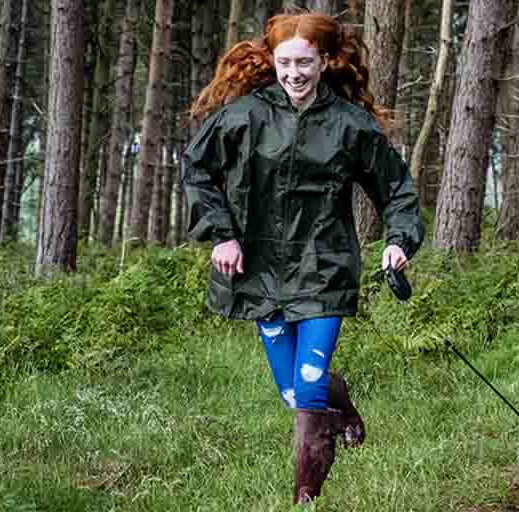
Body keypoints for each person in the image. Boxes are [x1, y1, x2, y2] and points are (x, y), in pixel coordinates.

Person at [181, 12, 423, 506]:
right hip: (260, 273)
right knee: (293, 393)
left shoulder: (350, 126)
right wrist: (222, 236)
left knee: (307, 389)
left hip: (324, 270)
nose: (294, 72)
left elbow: (396, 190)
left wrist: (399, 240)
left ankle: (305, 501)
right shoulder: (244, 116)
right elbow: (197, 170)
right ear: (273, 61)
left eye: (305, 62)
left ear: (325, 61)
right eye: (285, 62)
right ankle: (344, 407)